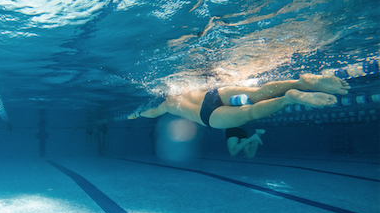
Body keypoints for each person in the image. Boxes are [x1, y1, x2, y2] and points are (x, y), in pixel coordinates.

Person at [129, 74, 350, 129]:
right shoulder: (185, 84)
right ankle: (301, 81)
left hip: (208, 118)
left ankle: (288, 99)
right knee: (257, 92)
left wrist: (137, 114)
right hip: (211, 94)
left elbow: (152, 113)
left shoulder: (167, 104)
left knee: (251, 112)